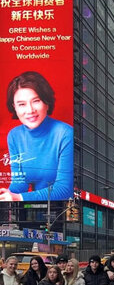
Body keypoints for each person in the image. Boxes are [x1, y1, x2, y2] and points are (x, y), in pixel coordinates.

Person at [0, 71, 73, 201]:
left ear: (46, 102)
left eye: (36, 101)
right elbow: (19, 183)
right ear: (14, 107)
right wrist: (7, 196)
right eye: (22, 104)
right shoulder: (14, 136)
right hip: (34, 208)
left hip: (65, 209)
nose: (30, 110)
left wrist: (19, 197)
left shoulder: (65, 134)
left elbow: (64, 189)